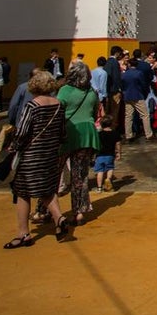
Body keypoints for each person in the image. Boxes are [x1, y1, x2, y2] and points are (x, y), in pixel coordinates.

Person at [5, 70, 69, 248]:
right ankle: (59, 218)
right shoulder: (58, 104)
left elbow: (23, 131)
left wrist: (13, 145)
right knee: (47, 188)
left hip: (32, 153)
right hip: (50, 152)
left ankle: (23, 232)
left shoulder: (32, 106)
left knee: (22, 191)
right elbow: (62, 132)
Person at [57, 62, 101, 227]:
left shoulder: (65, 91)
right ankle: (79, 212)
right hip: (87, 134)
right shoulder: (91, 92)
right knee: (80, 176)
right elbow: (96, 112)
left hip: (67, 133)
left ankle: (45, 209)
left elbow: (57, 111)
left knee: (55, 172)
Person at [121, 52, 154, 142]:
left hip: (127, 96)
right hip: (138, 95)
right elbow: (143, 84)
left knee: (128, 116)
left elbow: (122, 85)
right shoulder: (139, 73)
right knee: (145, 115)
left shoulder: (124, 74)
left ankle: (128, 134)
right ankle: (148, 134)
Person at [93, 114, 120, 193]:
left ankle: (99, 188)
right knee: (110, 168)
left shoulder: (99, 134)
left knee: (100, 171)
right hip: (110, 155)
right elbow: (118, 144)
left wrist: (93, 154)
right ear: (111, 124)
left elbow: (96, 144)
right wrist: (118, 153)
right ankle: (108, 179)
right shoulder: (115, 133)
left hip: (100, 155)